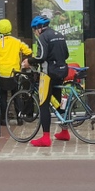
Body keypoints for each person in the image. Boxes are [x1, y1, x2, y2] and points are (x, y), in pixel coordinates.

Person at [25, 14, 70, 147]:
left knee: (43, 104)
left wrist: (29, 61)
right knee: (57, 102)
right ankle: (64, 132)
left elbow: (41, 57)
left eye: (34, 29)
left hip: (48, 74)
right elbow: (66, 54)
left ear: (39, 28)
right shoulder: (59, 35)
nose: (35, 32)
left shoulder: (43, 37)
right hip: (61, 71)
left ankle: (45, 138)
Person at [0, 19, 32, 126]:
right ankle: (19, 118)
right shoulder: (17, 42)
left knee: (3, 97)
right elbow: (28, 51)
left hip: (2, 74)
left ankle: (4, 119)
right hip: (15, 73)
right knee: (16, 95)